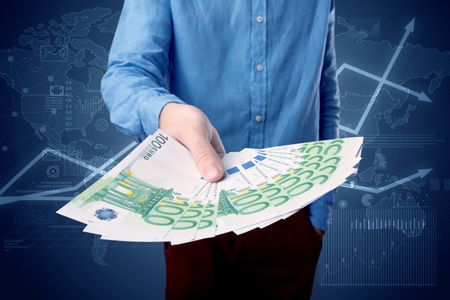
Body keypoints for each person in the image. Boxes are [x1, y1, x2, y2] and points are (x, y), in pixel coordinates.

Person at [101, 0, 340, 299]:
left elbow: (325, 92)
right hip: (196, 216)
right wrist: (165, 113)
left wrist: (319, 215)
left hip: (292, 216)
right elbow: (126, 74)